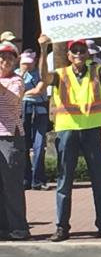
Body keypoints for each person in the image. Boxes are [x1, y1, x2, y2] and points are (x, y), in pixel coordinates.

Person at [38, 31, 101, 241]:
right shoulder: (60, 74)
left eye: (81, 50)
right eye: (74, 50)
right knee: (64, 180)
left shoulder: (96, 71)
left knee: (100, 180)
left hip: (92, 131)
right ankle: (62, 227)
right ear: (68, 55)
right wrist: (42, 49)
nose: (78, 53)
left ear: (87, 54)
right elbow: (44, 77)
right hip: (67, 130)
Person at [0, 41, 28, 240]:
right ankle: (3, 227)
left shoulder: (16, 81)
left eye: (10, 58)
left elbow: (14, 100)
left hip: (10, 138)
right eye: (2, 57)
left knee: (12, 186)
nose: (5, 61)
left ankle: (19, 227)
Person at [18, 49, 49, 190]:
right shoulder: (17, 74)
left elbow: (39, 90)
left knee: (39, 145)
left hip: (39, 109)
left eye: (30, 63)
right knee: (23, 145)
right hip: (24, 109)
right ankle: (25, 178)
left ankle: (38, 179)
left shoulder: (40, 73)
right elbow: (12, 90)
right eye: (24, 63)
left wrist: (23, 91)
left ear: (35, 62)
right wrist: (22, 75)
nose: (27, 66)